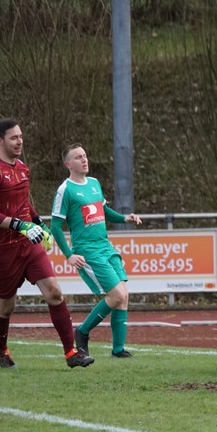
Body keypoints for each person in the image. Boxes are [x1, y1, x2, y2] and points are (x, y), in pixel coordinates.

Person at [0, 118, 93, 369]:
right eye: (13, 138)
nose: (19, 141)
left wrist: (39, 223)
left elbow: (24, 204)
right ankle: (0, 350)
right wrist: (21, 225)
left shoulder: (22, 168)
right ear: (0, 141)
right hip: (2, 249)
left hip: (28, 244)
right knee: (6, 306)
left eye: (20, 136)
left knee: (54, 291)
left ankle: (71, 352)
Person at [50, 144, 141, 359]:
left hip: (105, 246)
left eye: (85, 155)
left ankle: (118, 350)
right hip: (87, 251)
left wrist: (124, 218)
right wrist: (69, 255)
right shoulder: (65, 190)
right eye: (78, 157)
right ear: (68, 164)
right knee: (117, 295)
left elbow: (103, 210)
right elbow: (55, 226)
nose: (84, 160)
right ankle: (82, 332)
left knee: (123, 296)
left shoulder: (94, 183)